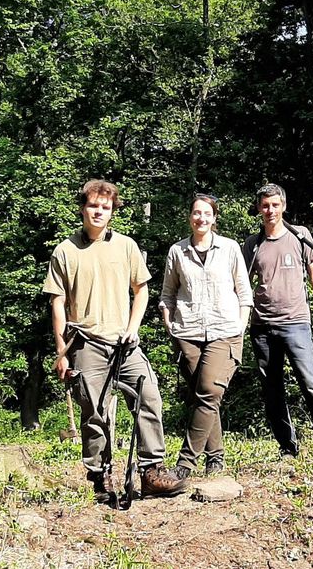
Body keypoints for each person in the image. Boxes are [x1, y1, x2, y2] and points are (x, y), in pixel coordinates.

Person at [44, 179, 187, 502]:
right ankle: (101, 475)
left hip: (124, 343)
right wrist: (61, 351)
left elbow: (142, 290)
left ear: (112, 212)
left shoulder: (126, 246)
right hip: (85, 343)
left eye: (105, 208)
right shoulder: (66, 251)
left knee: (148, 396)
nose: (98, 212)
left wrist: (133, 327)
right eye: (93, 206)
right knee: (95, 413)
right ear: (83, 207)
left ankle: (151, 471)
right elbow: (56, 302)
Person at [242, 184, 313, 463]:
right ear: (258, 208)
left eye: (275, 205)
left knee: (311, 383)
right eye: (265, 205)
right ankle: (287, 448)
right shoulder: (251, 243)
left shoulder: (300, 235)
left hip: (296, 323)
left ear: (284, 206)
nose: (270, 210)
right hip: (262, 326)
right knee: (272, 390)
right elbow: (242, 284)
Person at [160, 194, 253, 479]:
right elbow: (168, 294)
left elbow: (244, 292)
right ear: (190, 217)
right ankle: (216, 457)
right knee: (203, 398)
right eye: (196, 213)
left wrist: (240, 325)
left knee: (210, 392)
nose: (201, 218)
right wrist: (170, 326)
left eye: (207, 214)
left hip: (225, 331)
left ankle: (185, 465)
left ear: (214, 218)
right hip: (187, 333)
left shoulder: (229, 248)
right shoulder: (177, 251)